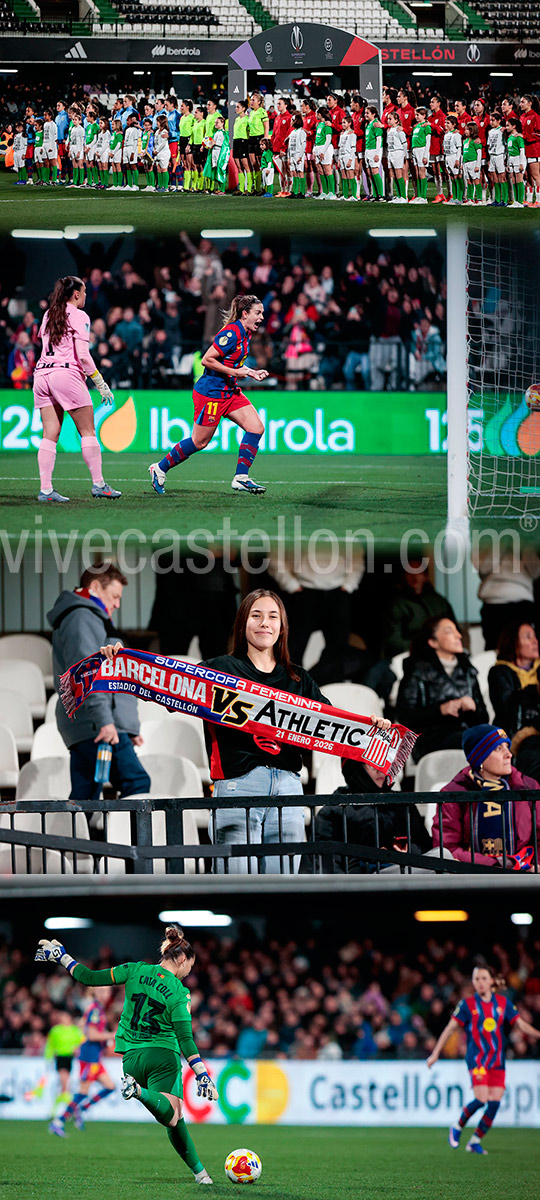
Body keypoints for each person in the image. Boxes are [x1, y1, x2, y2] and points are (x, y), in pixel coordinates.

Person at [35, 924, 216, 1184]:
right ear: (183, 959)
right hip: (162, 1056)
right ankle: (141, 1094)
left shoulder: (134, 969)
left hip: (130, 1058)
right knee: (173, 1117)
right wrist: (201, 1073)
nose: (188, 973)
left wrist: (62, 956)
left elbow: (87, 977)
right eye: (190, 966)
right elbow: (185, 1038)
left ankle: (201, 1175)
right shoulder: (180, 992)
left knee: (174, 1117)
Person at [202, 588, 333, 874]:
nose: (265, 623)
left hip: (288, 786)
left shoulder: (298, 678)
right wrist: (122, 661)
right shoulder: (220, 669)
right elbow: (168, 686)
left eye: (273, 616)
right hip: (238, 785)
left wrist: (373, 726)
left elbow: (331, 724)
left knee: (283, 891)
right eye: (256, 615)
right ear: (242, 624)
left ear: (282, 626)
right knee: (236, 890)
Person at [48, 562, 150, 801]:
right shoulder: (81, 618)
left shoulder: (87, 617)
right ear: (95, 587)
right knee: (137, 782)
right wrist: (105, 722)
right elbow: (87, 675)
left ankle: (80, 839)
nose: (117, 604)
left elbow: (113, 676)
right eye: (114, 596)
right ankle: (125, 840)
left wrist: (128, 726)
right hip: (95, 723)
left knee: (86, 795)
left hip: (89, 722)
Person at [148, 294, 268, 496]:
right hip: (211, 393)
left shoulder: (246, 334)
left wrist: (249, 371)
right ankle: (159, 468)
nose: (262, 317)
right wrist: (237, 372)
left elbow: (232, 363)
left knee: (256, 427)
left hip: (229, 391)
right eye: (258, 313)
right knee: (199, 442)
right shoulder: (231, 333)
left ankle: (241, 478)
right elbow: (207, 360)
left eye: (262, 313)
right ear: (245, 314)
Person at [427, 964, 540, 1154]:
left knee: (495, 1102)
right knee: (481, 1098)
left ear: (491, 981)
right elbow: (450, 1028)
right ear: (473, 982)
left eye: (483, 978)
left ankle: (474, 1141)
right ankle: (457, 1126)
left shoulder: (503, 1003)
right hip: (477, 1059)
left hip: (497, 1060)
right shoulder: (467, 1005)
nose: (480, 982)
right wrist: (436, 1052)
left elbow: (520, 1024)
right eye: (476, 979)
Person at [33, 275, 121, 502]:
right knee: (88, 431)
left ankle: (45, 490)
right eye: (83, 291)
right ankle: (99, 485)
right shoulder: (79, 315)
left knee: (49, 434)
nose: (84, 296)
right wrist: (101, 384)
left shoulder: (49, 313)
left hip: (41, 374)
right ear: (76, 294)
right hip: (65, 373)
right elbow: (83, 356)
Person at [303, 754, 431, 873]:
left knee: (444, 855)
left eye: (383, 763)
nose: (380, 770)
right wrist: (372, 857)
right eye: (372, 765)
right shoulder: (334, 811)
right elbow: (324, 863)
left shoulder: (403, 805)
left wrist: (408, 852)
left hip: (405, 872)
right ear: (357, 769)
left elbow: (425, 845)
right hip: (361, 881)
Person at [438, 724, 540, 868]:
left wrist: (535, 865)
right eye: (498, 749)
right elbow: (447, 849)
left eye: (507, 746)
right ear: (480, 760)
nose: (509, 754)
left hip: (525, 873)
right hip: (473, 877)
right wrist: (496, 865)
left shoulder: (528, 786)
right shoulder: (454, 793)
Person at [395, 617, 487, 762]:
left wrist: (473, 708)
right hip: (430, 739)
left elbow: (483, 718)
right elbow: (405, 716)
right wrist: (441, 710)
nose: (459, 635)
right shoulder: (417, 671)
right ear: (433, 642)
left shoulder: (468, 671)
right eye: (449, 631)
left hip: (466, 734)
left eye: (457, 630)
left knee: (496, 739)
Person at [50, 989, 115, 1136]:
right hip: (89, 1058)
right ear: (96, 993)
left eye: (107, 992)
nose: (106, 995)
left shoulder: (94, 1008)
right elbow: (91, 1035)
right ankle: (58, 1121)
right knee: (83, 1091)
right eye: (102, 991)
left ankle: (81, 1110)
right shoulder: (95, 1010)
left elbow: (82, 1027)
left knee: (110, 1086)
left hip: (95, 1057)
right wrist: (112, 1035)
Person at [383, 559, 455, 659]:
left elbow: (453, 630)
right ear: (405, 576)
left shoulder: (439, 602)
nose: (414, 576)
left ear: (425, 576)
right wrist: (419, 647)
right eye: (410, 572)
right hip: (409, 655)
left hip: (440, 653)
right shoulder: (398, 605)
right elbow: (393, 640)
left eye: (418, 572)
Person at [488, 622, 540, 734]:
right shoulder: (499, 672)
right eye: (528, 637)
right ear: (514, 642)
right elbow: (506, 709)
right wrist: (535, 691)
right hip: (512, 734)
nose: (535, 641)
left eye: (535, 636)